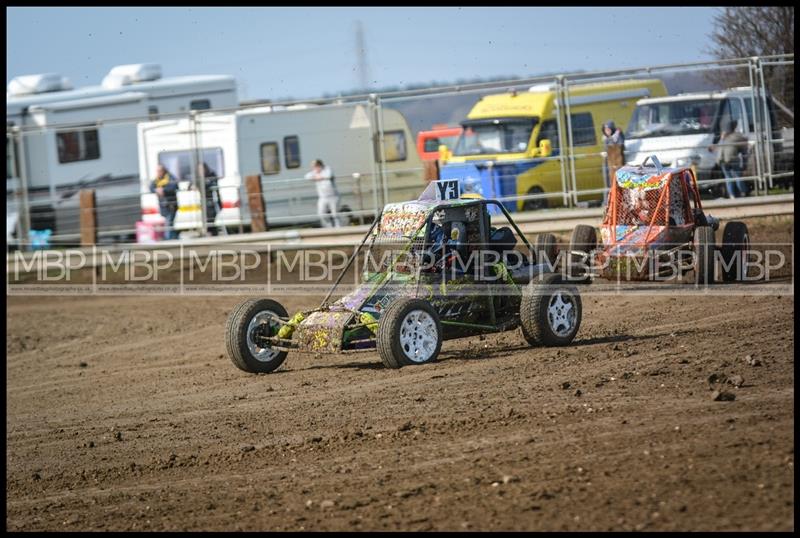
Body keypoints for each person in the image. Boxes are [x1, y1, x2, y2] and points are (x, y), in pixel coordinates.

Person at [712, 120, 749, 199]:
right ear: (734, 128)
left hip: (721, 160)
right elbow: (744, 143)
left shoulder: (723, 137)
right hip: (731, 158)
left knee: (728, 177)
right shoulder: (736, 136)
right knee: (737, 175)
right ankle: (743, 192)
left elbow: (717, 148)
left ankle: (732, 195)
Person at [305, 159, 341, 228]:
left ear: (319, 165)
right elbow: (307, 176)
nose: (314, 168)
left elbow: (328, 175)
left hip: (333, 196)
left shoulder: (327, 169)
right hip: (323, 197)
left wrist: (317, 177)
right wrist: (317, 176)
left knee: (335, 214)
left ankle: (338, 228)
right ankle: (329, 227)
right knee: (321, 214)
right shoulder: (315, 172)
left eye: (315, 166)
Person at [150, 164, 178, 240]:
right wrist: (156, 190)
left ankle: (168, 238)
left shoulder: (170, 177)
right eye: (157, 171)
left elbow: (174, 186)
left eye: (160, 171)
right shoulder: (157, 180)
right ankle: (174, 237)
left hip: (171, 204)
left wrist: (163, 190)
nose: (158, 173)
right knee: (169, 222)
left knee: (169, 222)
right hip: (163, 205)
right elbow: (151, 187)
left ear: (163, 171)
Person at [602, 120, 625, 205]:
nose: (606, 131)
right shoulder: (606, 139)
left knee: (618, 183)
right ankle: (610, 201)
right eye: (605, 129)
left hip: (617, 164)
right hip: (609, 164)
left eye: (608, 129)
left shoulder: (618, 136)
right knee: (609, 183)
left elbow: (619, 149)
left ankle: (617, 201)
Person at [197, 162, 219, 236]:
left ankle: (213, 234)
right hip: (204, 203)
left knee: (210, 220)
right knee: (207, 220)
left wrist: (200, 185)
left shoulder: (211, 175)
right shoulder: (198, 178)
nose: (200, 171)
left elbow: (210, 185)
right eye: (199, 169)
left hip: (211, 202)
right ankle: (210, 233)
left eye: (202, 169)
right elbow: (191, 184)